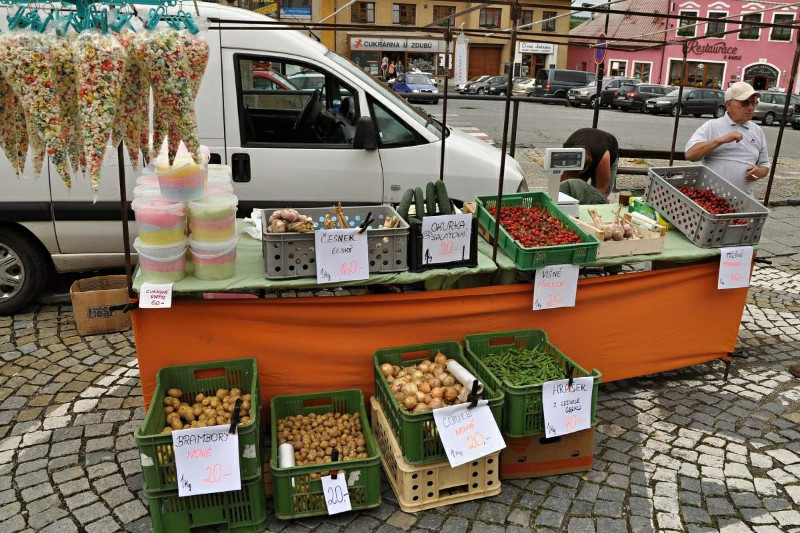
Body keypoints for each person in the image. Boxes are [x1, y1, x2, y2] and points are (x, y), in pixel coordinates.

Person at [685, 81, 770, 196]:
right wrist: (721, 140)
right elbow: (690, 155)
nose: (750, 107)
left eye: (754, 103)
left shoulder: (757, 131)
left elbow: (764, 165)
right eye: (745, 103)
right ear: (728, 104)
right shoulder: (712, 126)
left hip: (743, 199)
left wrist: (759, 172)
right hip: (710, 197)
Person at [560, 128, 620, 196]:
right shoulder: (567, 150)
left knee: (600, 194)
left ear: (587, 167)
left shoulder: (602, 156)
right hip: (584, 138)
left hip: (609, 148)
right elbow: (562, 185)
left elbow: (602, 188)